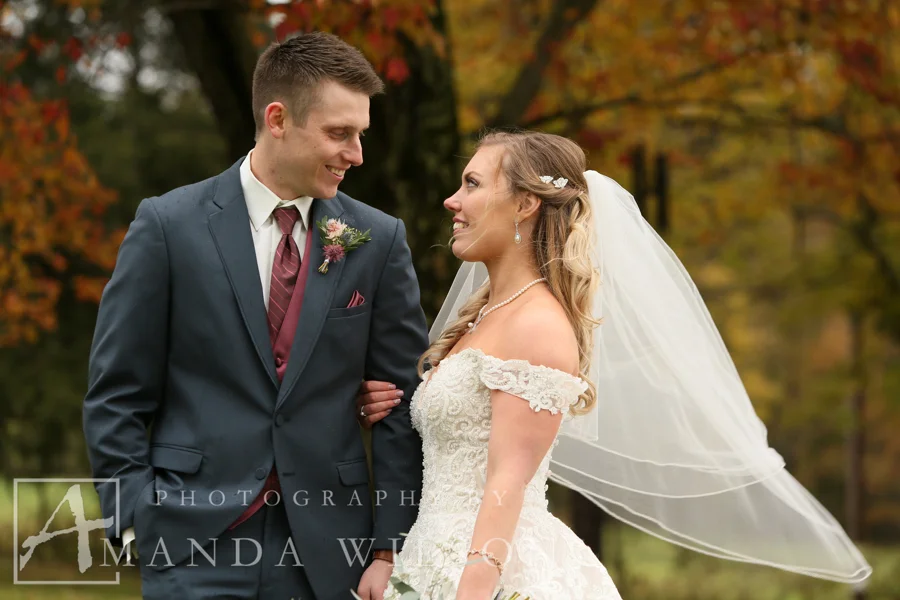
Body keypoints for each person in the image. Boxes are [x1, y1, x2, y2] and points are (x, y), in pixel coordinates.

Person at [357, 131, 872, 598]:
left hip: (486, 568)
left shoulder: (536, 325)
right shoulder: (484, 316)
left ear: (526, 203)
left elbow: (506, 482)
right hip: (427, 556)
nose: (452, 200)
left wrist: (472, 589)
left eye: (471, 183)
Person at [83, 32, 428, 600]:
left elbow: (401, 400)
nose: (357, 154)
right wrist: (130, 517)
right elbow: (116, 393)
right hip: (191, 544)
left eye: (360, 134)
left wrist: (391, 545)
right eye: (339, 134)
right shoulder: (168, 226)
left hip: (329, 550)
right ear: (277, 118)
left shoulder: (377, 239)